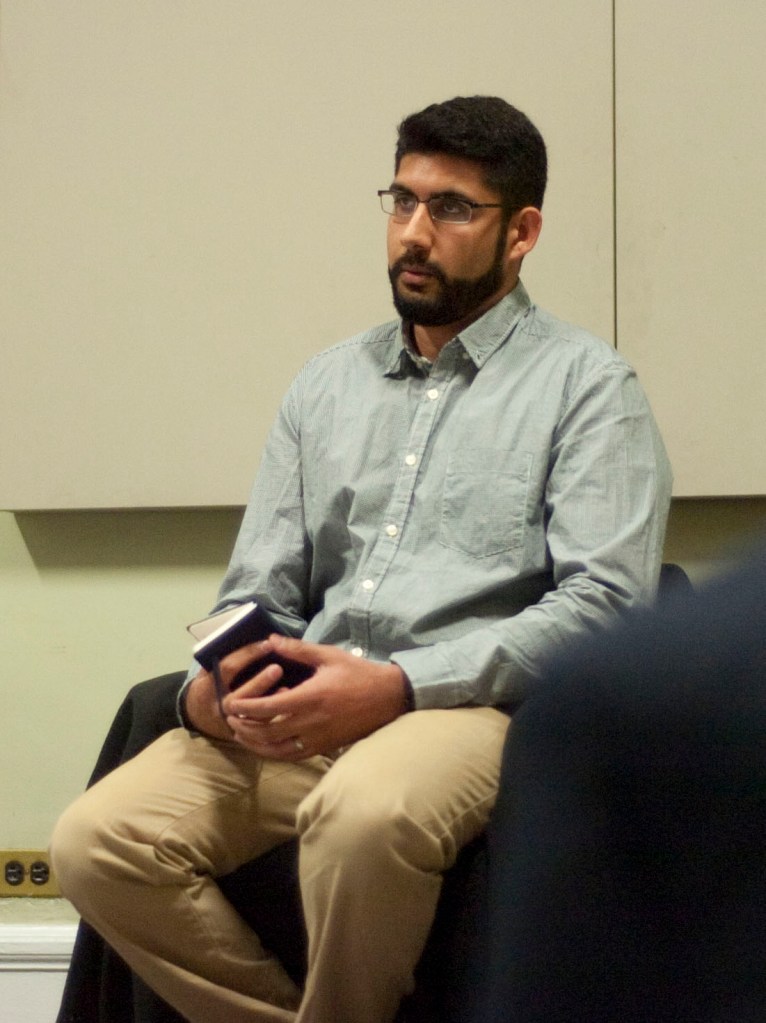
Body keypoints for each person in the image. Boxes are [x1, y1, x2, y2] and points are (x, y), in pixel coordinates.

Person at [51, 95, 672, 1023]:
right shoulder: (327, 384)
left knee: (363, 819)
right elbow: (258, 588)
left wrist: (397, 685)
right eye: (403, 200)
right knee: (95, 841)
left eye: (451, 208)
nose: (414, 233)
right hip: (313, 699)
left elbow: (604, 608)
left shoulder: (588, 388)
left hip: (471, 708)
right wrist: (213, 688)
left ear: (521, 233)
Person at [473, 547, 766, 1023]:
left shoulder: (638, 692)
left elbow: (600, 599)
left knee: (373, 818)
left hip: (469, 697)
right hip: (344, 684)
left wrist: (403, 682)